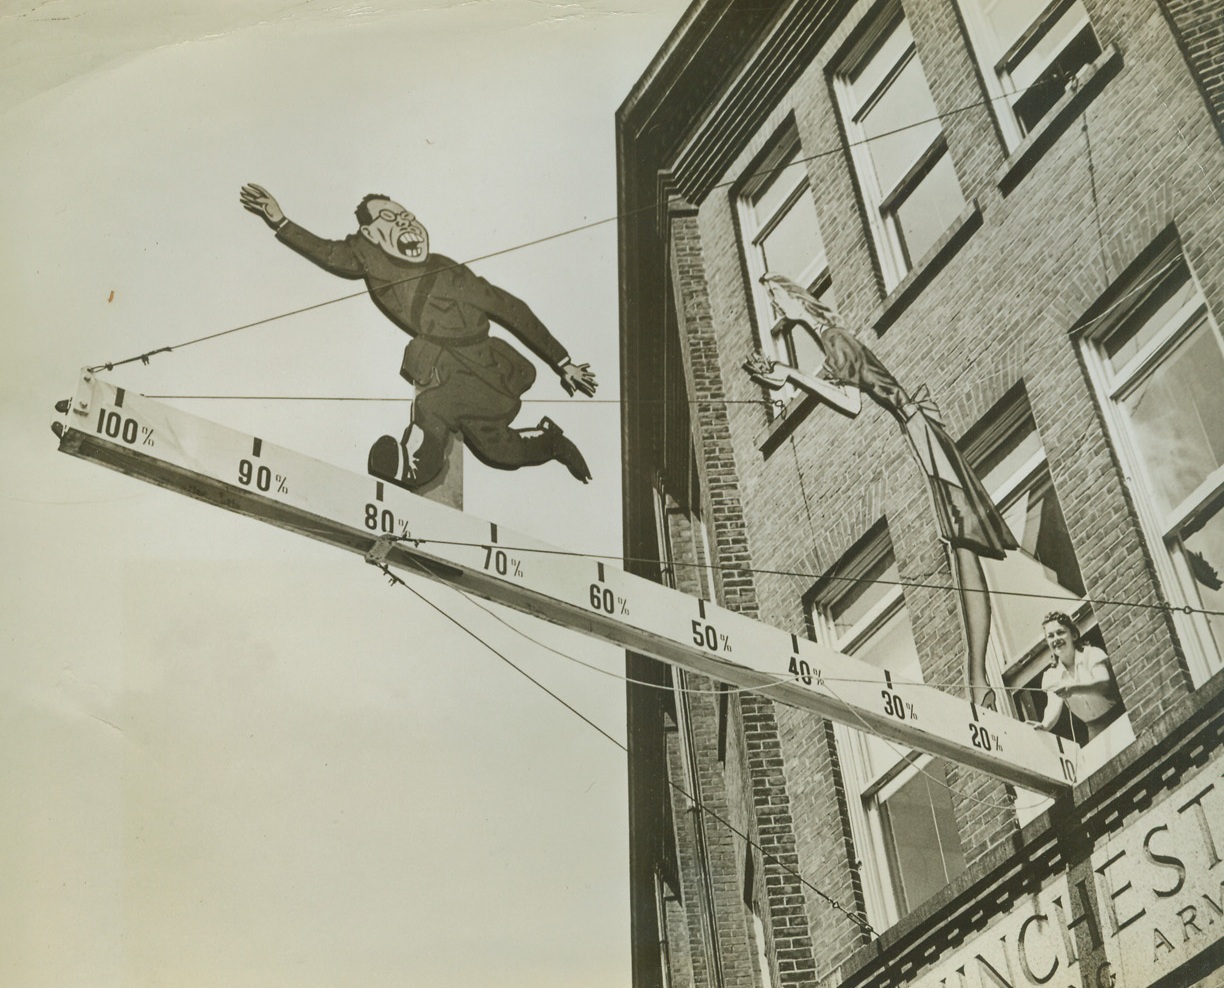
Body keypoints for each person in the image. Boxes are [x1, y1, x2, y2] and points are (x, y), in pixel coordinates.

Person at [744, 273, 1018, 710]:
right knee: (960, 544)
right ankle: (977, 677)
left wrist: (793, 376)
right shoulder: (832, 342)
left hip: (920, 430)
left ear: (796, 297)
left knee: (964, 541)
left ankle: (978, 678)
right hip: (918, 431)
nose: (776, 309)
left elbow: (849, 403)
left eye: (776, 297)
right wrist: (788, 378)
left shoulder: (835, 340)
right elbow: (836, 389)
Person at [239, 184, 597, 490]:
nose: (405, 223)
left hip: (487, 368)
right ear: (371, 235)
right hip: (443, 363)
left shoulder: (447, 272)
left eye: (406, 215)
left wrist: (562, 362)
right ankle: (422, 461)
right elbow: (328, 252)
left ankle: (419, 462)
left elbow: (509, 308)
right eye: (391, 219)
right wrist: (280, 222)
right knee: (489, 443)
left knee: (452, 420)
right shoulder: (368, 259)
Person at [1030, 612, 1121, 743]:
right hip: (1094, 731)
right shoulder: (1052, 675)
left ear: (1074, 635)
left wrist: (1073, 689)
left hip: (1117, 716)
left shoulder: (1091, 654)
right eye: (1050, 636)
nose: (1056, 639)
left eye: (1060, 632)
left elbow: (1104, 684)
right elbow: (1052, 707)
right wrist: (1044, 726)